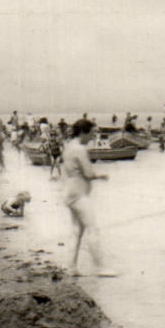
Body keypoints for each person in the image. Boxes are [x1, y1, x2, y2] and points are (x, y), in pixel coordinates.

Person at [63, 118, 116, 276]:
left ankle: (71, 267)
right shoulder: (80, 149)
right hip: (79, 194)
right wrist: (101, 175)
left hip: (69, 191)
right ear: (83, 132)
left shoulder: (68, 146)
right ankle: (101, 267)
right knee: (93, 229)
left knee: (76, 231)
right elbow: (88, 173)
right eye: (91, 133)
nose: (93, 137)